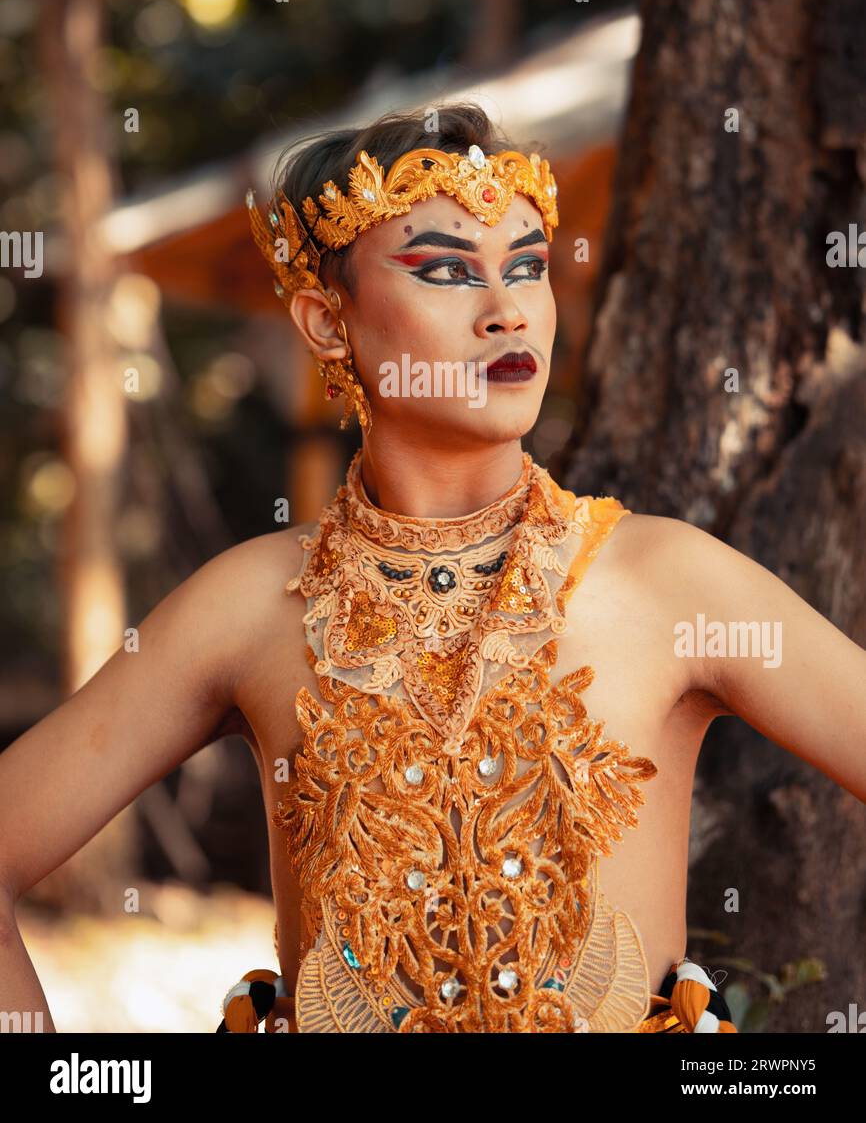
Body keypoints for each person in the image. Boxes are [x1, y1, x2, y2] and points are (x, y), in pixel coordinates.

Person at [0, 104, 863, 1033]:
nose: (508, 309)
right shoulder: (246, 607)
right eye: (447, 271)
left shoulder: (673, 583)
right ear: (328, 324)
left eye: (527, 265)